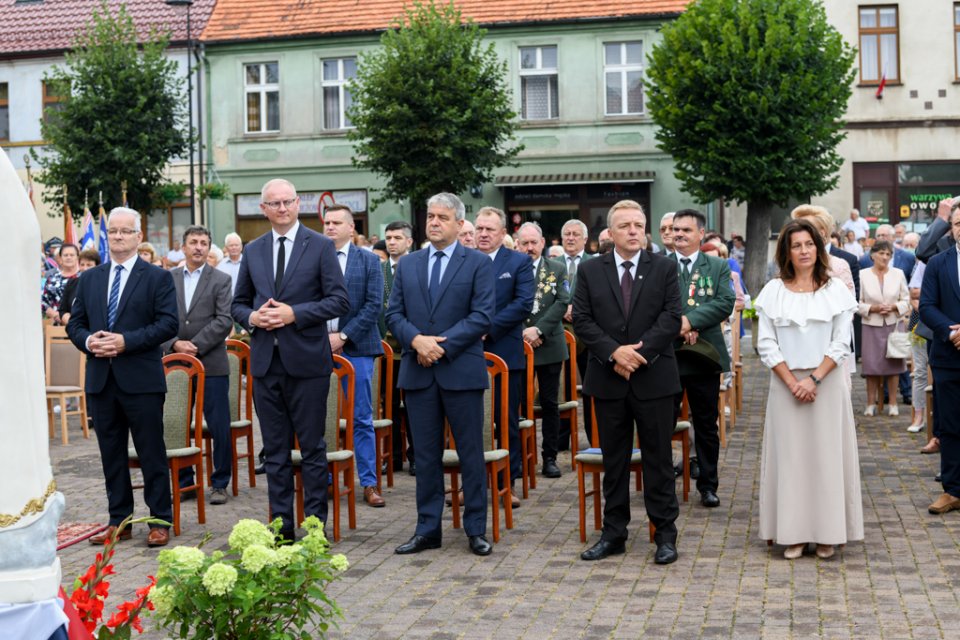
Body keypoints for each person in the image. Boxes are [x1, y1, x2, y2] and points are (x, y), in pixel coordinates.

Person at [231, 178, 350, 541]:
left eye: (288, 202)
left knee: (313, 449)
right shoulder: (253, 250)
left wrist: (293, 314)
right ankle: (281, 527)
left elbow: (339, 301)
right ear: (263, 209)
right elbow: (238, 303)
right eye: (274, 203)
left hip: (307, 363)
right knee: (276, 452)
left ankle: (315, 527)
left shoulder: (319, 246)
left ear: (298, 204)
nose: (282, 208)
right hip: (266, 364)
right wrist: (252, 318)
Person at [573, 199, 682, 564]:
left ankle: (665, 534)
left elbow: (671, 317)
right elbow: (583, 319)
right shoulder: (590, 271)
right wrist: (613, 352)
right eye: (625, 226)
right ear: (611, 233)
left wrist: (639, 354)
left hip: (654, 378)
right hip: (608, 379)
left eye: (639, 225)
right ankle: (614, 534)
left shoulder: (664, 268)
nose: (633, 231)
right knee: (614, 462)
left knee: (659, 459)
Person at [386, 192, 495, 557]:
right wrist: (416, 341)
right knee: (426, 457)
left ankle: (476, 529)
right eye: (430, 216)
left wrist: (440, 347)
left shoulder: (477, 264)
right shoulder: (409, 264)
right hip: (418, 373)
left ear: (459, 224)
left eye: (442, 217)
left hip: (460, 372)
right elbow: (393, 315)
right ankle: (427, 528)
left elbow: (481, 316)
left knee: (470, 453)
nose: (433, 222)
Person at [66, 207, 179, 547]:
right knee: (110, 454)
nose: (117, 236)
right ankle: (120, 520)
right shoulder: (89, 278)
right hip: (101, 379)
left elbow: (167, 324)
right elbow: (76, 323)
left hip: (141, 380)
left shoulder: (157, 277)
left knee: (150, 453)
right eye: (113, 231)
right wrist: (88, 341)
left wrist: (125, 341)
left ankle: (159, 520)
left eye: (125, 231)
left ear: (138, 236)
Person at [754, 218, 862, 560]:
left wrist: (813, 379)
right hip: (785, 385)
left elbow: (841, 343)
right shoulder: (773, 291)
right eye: (796, 245)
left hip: (826, 384)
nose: (803, 251)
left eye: (809, 244)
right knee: (791, 459)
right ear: (786, 251)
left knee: (826, 459)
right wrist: (792, 382)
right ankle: (794, 533)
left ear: (819, 247)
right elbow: (766, 343)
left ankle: (828, 532)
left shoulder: (836, 291)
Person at [161, 225, 235, 505]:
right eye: (193, 242)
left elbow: (224, 319)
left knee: (219, 425)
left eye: (204, 243)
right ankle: (185, 483)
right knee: (177, 423)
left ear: (210, 248)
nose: (199, 247)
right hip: (177, 364)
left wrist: (196, 345)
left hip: (211, 362)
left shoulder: (221, 279)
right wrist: (175, 343)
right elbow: (159, 317)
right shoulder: (167, 278)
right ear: (183, 247)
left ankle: (219, 483)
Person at [669, 209, 735, 507]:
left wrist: (691, 322)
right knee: (662, 421)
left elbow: (724, 301)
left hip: (703, 356)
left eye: (685, 230)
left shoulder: (717, 266)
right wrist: (679, 327)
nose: (679, 234)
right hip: (667, 354)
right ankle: (662, 481)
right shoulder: (659, 265)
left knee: (707, 423)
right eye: (675, 229)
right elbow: (649, 304)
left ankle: (708, 484)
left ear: (700, 234)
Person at [323, 204, 386, 508]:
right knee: (322, 416)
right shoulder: (315, 259)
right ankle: (326, 478)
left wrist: (343, 336)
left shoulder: (369, 260)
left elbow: (374, 305)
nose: (330, 227)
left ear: (351, 228)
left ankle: (369, 483)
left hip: (357, 348)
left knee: (360, 417)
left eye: (336, 222)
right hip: (319, 348)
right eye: (327, 222)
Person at [476, 207, 534, 508]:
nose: (483, 234)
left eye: (489, 229)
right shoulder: (464, 260)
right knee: (468, 420)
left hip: (505, 353)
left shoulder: (519, 262)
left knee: (505, 420)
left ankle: (506, 483)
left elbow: (523, 304)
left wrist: (487, 328)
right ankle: (470, 483)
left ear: (503, 233)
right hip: (468, 352)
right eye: (479, 229)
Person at [516, 222, 569, 479]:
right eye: (524, 243)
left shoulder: (557, 268)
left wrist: (538, 330)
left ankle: (549, 457)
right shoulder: (509, 268)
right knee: (518, 403)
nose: (529, 248)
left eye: (533, 243)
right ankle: (523, 456)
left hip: (549, 344)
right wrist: (522, 332)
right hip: (517, 344)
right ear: (517, 244)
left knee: (549, 403)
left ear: (542, 243)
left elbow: (563, 301)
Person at [919, 204, 960, 514]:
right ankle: (952, 489)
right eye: (958, 223)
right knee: (948, 424)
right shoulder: (937, 263)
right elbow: (927, 306)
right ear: (952, 229)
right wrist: (951, 331)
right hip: (948, 355)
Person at [379, 220, 416, 475]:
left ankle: (415, 456)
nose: (392, 242)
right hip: (386, 351)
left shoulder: (418, 266)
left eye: (397, 238)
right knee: (389, 404)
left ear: (409, 241)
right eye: (389, 238)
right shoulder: (379, 270)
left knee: (414, 405)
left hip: (412, 347)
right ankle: (392, 457)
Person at [858, 241, 910, 417]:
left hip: (894, 324)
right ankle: (870, 403)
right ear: (872, 255)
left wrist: (895, 307)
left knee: (894, 364)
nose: (885, 257)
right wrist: (872, 309)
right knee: (871, 365)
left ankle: (893, 403)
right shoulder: (862, 275)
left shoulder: (898, 274)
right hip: (871, 323)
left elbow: (906, 300)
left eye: (888, 254)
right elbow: (856, 303)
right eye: (881, 253)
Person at [560, 218, 595, 447]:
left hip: (588, 338)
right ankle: (562, 439)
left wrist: (578, 309)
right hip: (558, 335)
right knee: (560, 390)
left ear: (585, 239)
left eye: (575, 234)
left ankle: (595, 437)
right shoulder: (551, 265)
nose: (571, 238)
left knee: (591, 387)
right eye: (567, 234)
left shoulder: (596, 264)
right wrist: (564, 309)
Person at [907, 259, 929, 433]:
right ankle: (919, 416)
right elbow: (913, 295)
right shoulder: (925, 261)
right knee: (920, 371)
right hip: (921, 323)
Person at [58, 248, 101, 325]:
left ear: (97, 266)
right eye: (82, 264)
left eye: (89, 265)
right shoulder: (72, 283)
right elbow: (62, 310)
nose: (85, 268)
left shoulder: (103, 285)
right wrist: (71, 322)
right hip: (74, 330)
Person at [41, 243, 80, 323]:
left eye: (72, 255)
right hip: (56, 324)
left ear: (77, 258)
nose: (69, 257)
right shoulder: (52, 279)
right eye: (65, 255)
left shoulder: (84, 277)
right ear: (60, 258)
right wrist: (55, 315)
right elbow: (44, 302)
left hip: (80, 324)